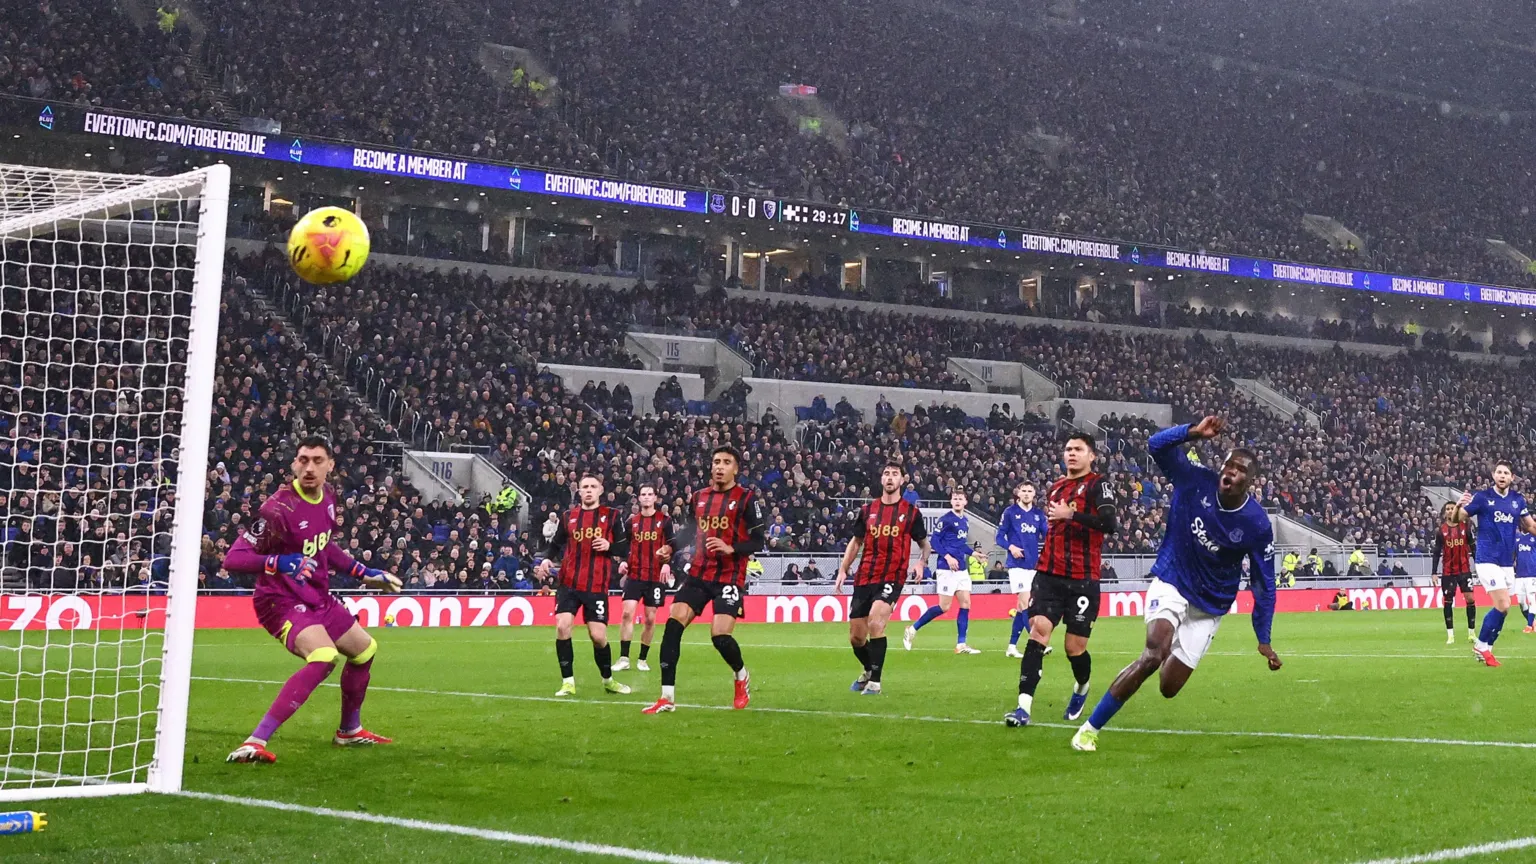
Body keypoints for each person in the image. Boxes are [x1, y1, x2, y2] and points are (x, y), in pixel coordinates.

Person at [1069, 417, 1281, 752]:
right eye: (1229, 465)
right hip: (1173, 580)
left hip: (1209, 605)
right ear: (1221, 466)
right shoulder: (1195, 480)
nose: (1231, 473)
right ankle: (1089, 729)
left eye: (1240, 470)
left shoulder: (1255, 524)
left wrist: (1264, 638)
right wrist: (1192, 433)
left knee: (1168, 687)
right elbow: (1155, 445)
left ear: (1250, 481)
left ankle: (1172, 646)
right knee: (1153, 653)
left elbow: (1263, 583)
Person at [223, 436, 403, 764]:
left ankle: (349, 730)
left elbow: (325, 547)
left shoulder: (328, 499)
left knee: (365, 650)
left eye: (317, 460)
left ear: (330, 465)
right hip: (280, 599)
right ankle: (255, 740)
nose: (309, 467)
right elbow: (233, 558)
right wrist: (278, 562)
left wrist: (365, 572)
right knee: (322, 655)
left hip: (317, 596)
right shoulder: (278, 509)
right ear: (294, 463)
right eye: (303, 460)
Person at [1005, 432, 1117, 728]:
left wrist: (1072, 515)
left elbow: (1110, 524)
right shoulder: (1056, 487)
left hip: (1083, 578)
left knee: (1073, 647)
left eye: (1078, 449)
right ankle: (1022, 708)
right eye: (1068, 449)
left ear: (1091, 455)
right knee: (1038, 631)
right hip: (1049, 574)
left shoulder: (1098, 484)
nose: (1071, 454)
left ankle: (1082, 686)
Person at [643, 446, 767, 714]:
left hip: (730, 577)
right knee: (673, 627)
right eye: (716, 462)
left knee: (720, 636)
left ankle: (741, 675)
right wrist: (670, 548)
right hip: (699, 573)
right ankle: (666, 698)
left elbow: (759, 540)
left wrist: (732, 548)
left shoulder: (746, 499)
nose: (720, 466)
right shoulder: (699, 497)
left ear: (736, 469)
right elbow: (688, 532)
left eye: (726, 462)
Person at [835, 461, 929, 695]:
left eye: (895, 474)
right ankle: (868, 670)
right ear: (881, 479)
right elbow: (856, 542)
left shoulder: (911, 513)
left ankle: (875, 682)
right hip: (865, 576)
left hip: (892, 577)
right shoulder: (867, 511)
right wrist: (843, 569)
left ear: (902, 480)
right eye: (886, 473)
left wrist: (921, 561)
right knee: (856, 637)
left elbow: (924, 545)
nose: (889, 478)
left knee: (876, 623)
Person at [535, 474, 632, 696]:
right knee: (562, 627)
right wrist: (547, 558)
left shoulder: (612, 516)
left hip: (596, 585)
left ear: (600, 490)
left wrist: (609, 545)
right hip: (569, 583)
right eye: (584, 487)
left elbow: (624, 549)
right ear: (579, 492)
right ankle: (568, 682)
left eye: (593, 487)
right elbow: (556, 544)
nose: (588, 490)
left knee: (598, 636)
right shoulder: (568, 516)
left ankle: (608, 680)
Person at [1457, 461, 1536, 666]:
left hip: (1506, 563)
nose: (1502, 476)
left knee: (1505, 608)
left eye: (1506, 473)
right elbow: (1460, 518)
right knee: (1502, 604)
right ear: (1493, 475)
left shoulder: (1517, 500)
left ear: (1512, 477)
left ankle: (1486, 648)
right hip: (1486, 559)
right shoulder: (1482, 498)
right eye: (1499, 472)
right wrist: (1458, 506)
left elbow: (1530, 525)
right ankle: (1481, 645)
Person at [903, 490, 981, 655]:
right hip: (946, 568)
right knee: (944, 607)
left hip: (961, 568)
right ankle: (913, 629)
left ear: (965, 502)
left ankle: (961, 644)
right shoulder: (945, 520)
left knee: (966, 603)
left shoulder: (965, 521)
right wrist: (947, 557)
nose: (957, 501)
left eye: (960, 499)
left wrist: (973, 553)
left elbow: (960, 544)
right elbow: (934, 541)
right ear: (951, 502)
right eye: (955, 499)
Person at [615, 484, 674, 672]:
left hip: (655, 576)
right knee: (626, 614)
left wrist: (667, 562)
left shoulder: (665, 520)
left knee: (650, 618)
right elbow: (624, 545)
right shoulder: (631, 522)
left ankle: (642, 658)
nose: (647, 497)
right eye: (643, 495)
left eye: (650, 494)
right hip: (635, 574)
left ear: (655, 497)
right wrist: (623, 561)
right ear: (638, 499)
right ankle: (624, 658)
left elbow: (672, 544)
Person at [997, 482, 1048, 658]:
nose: (1026, 494)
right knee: (1025, 603)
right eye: (1023, 491)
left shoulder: (1038, 514)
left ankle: (1011, 646)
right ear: (1018, 493)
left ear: (1034, 494)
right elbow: (999, 537)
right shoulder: (1010, 513)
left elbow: (1048, 535)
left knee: (1021, 608)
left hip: (1033, 566)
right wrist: (1011, 547)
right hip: (1017, 565)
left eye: (1029, 491)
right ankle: (1037, 642)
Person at [1431, 501, 1476, 644]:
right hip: (1448, 572)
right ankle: (1450, 635)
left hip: (1464, 570)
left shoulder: (1466, 528)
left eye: (1453, 508)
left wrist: (1479, 565)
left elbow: (1473, 548)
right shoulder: (1441, 531)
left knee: (1470, 599)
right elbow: (1437, 553)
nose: (1450, 511)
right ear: (1445, 513)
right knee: (1448, 602)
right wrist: (1434, 572)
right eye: (1448, 509)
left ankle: (1471, 633)